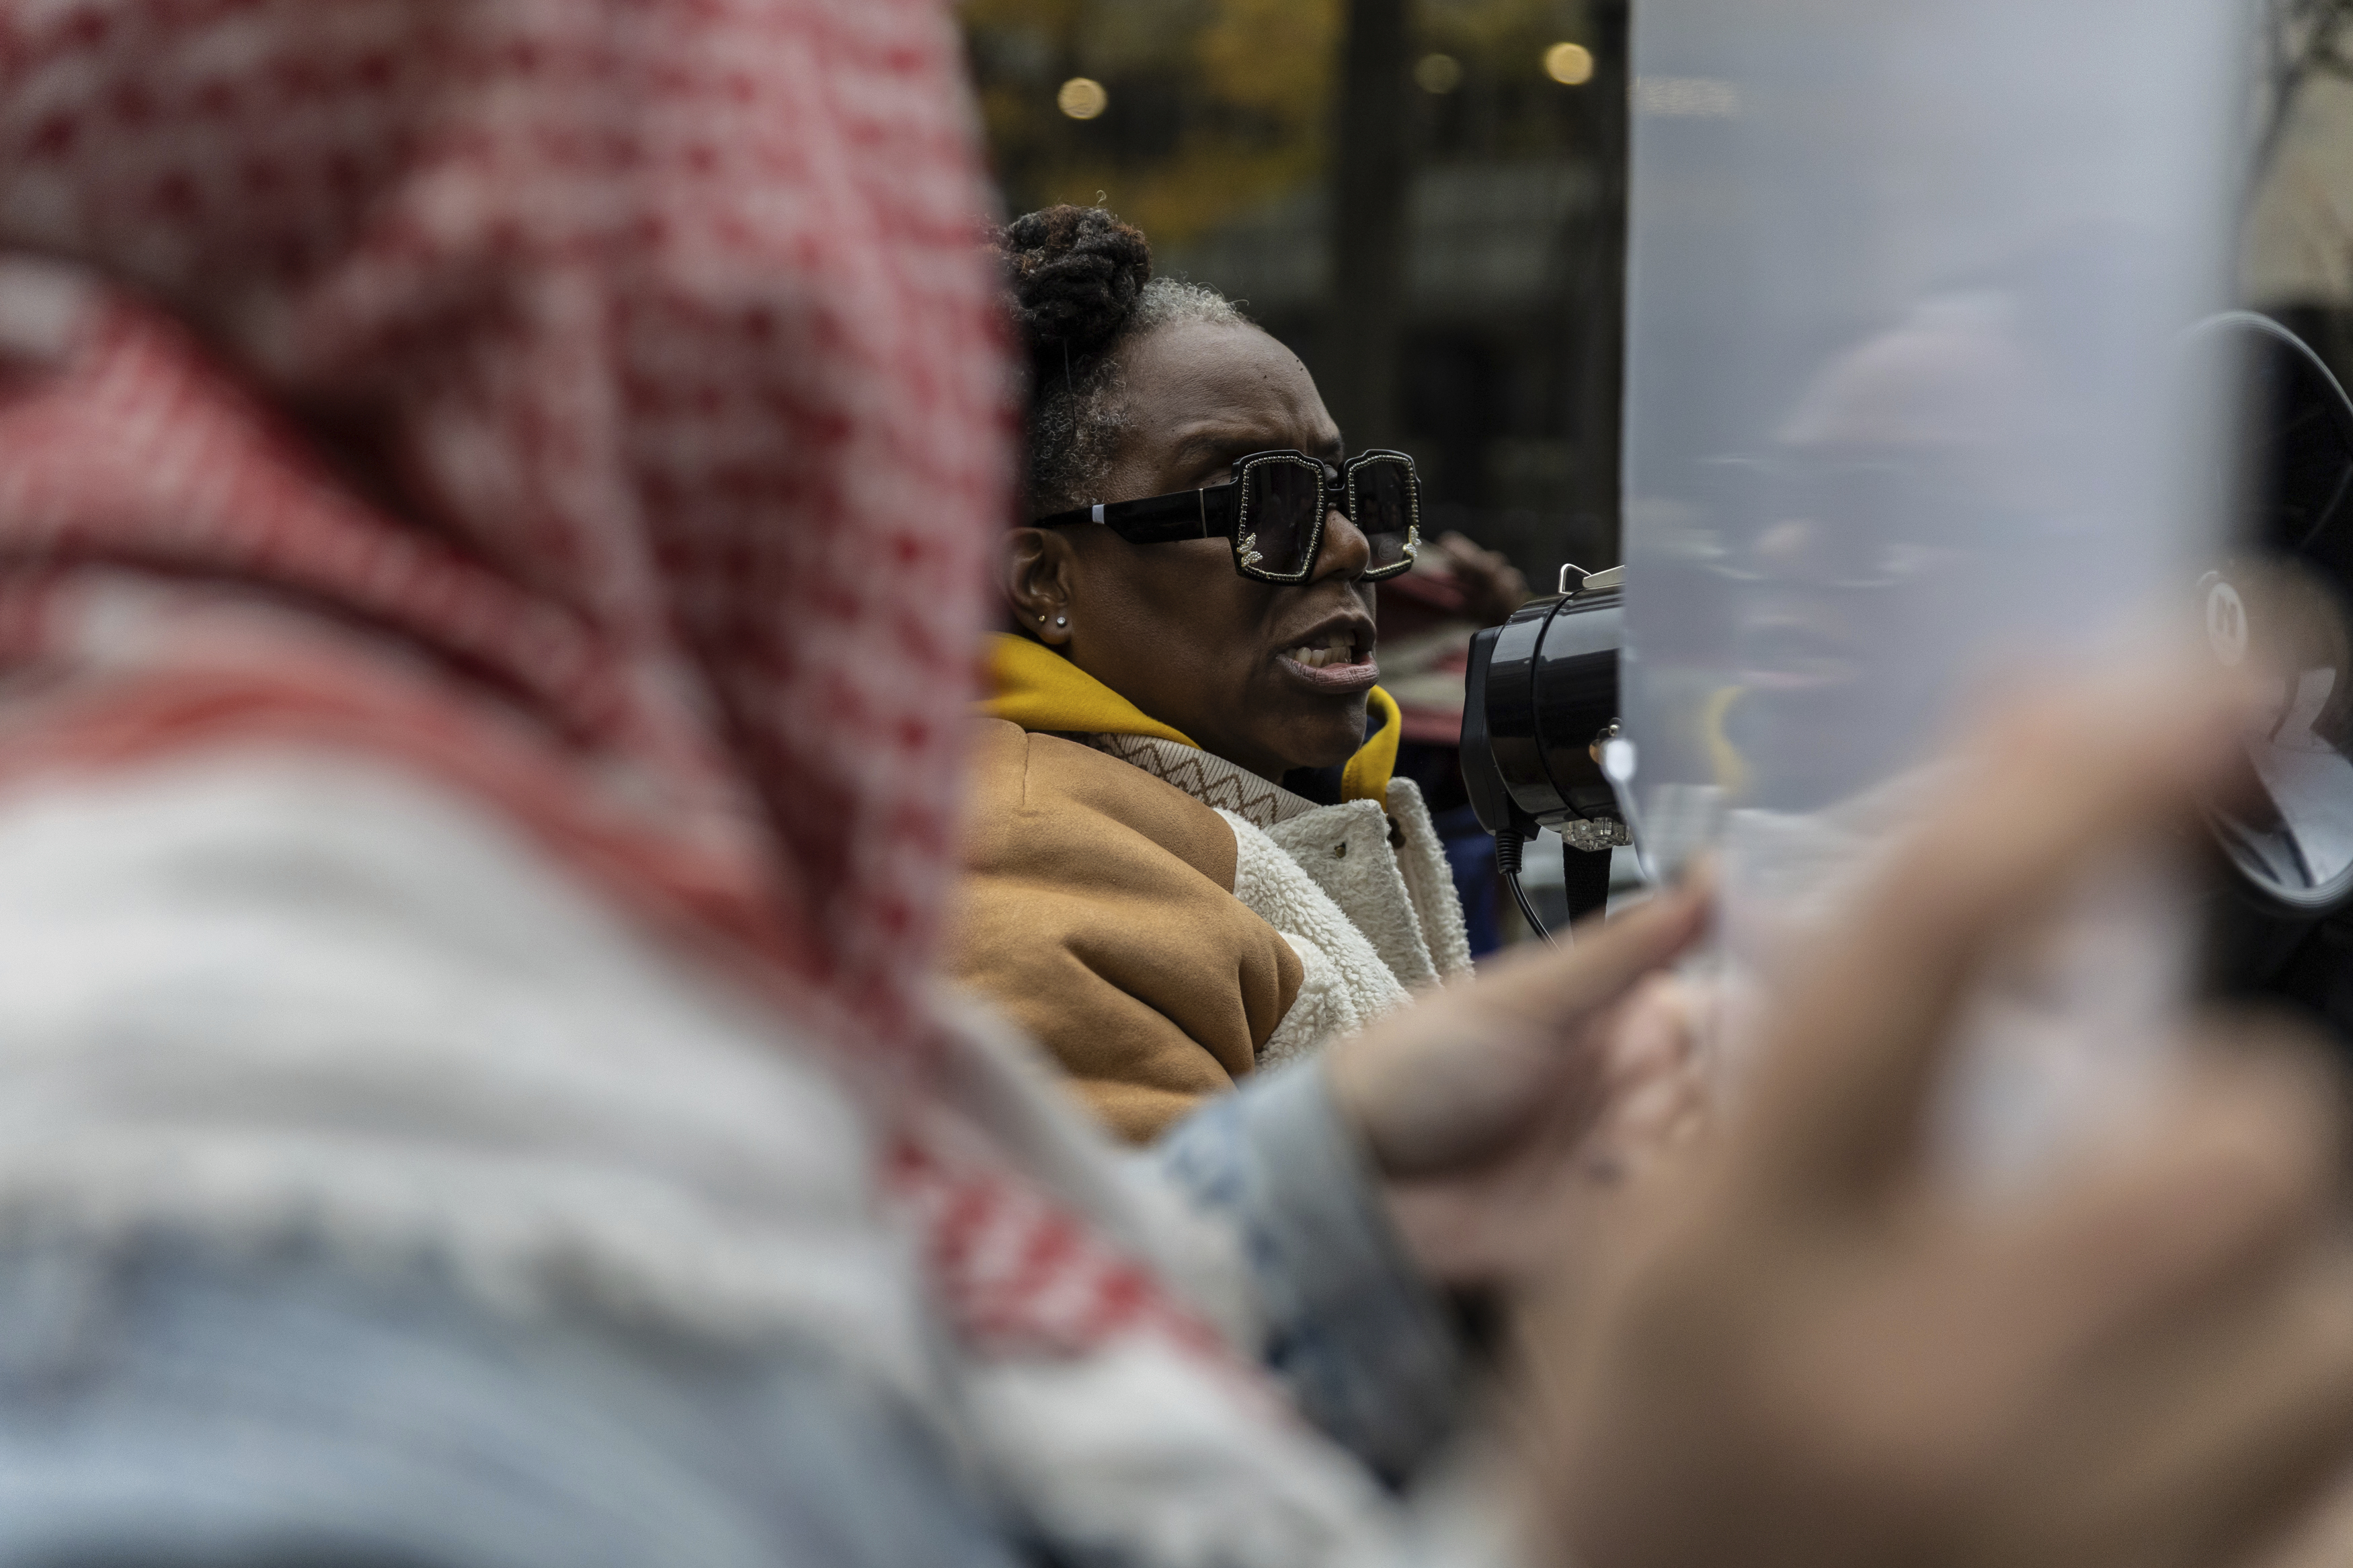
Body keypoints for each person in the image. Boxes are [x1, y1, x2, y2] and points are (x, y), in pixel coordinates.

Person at [0, 6, 2350, 1568]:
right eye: (1244, 504)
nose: (1336, 556)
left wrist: (1334, 1207)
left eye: (1345, 493)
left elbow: (877, 1358)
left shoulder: (385, 964)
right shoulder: (227, 1211)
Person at [952, 205, 1492, 1139]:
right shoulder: (1026, 864)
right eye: (1257, 499)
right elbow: (1161, 1274)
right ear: (1045, 579)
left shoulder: (1201, 814)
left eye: (1343, 490)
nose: (1352, 544)